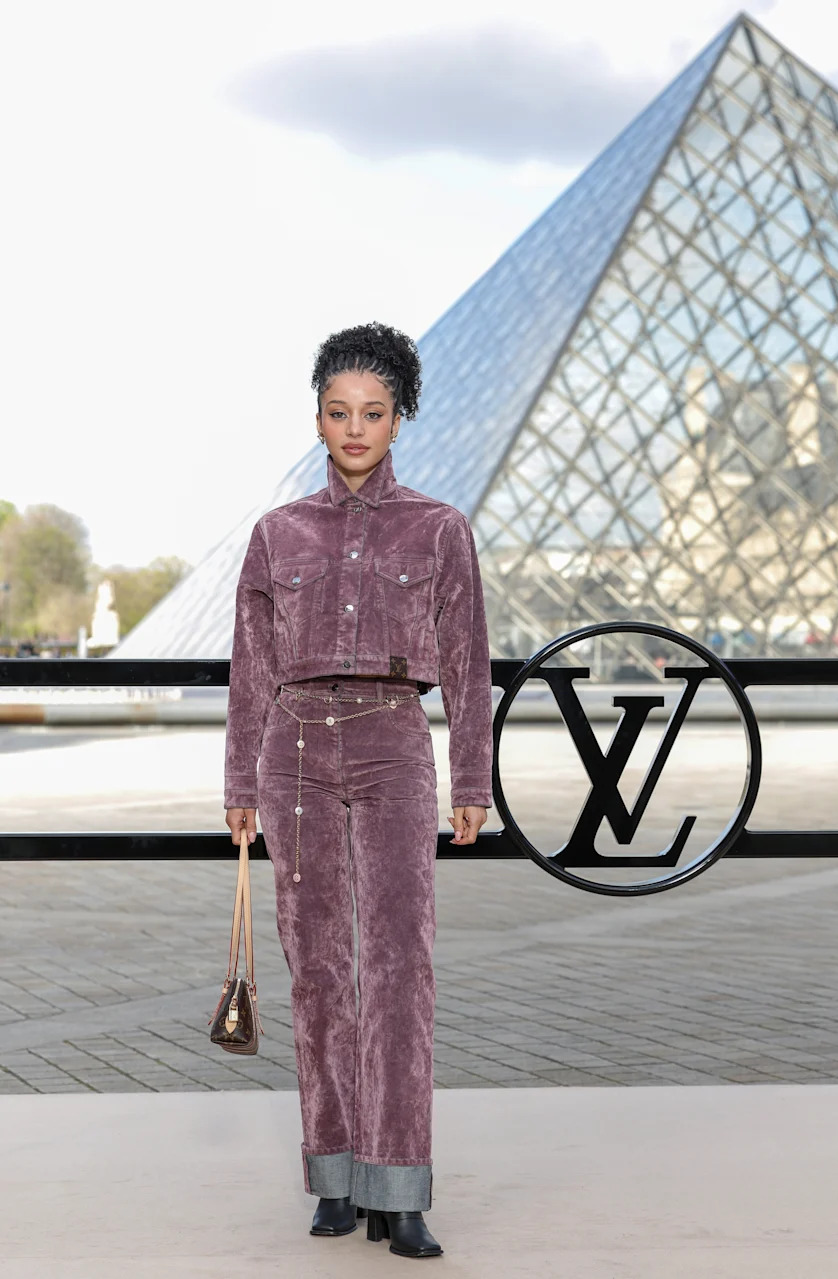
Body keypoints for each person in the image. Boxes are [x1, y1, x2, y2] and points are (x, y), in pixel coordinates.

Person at [223, 322, 493, 1260]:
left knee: (400, 967)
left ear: (399, 419)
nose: (354, 427)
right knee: (319, 968)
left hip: (391, 744)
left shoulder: (440, 528)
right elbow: (250, 671)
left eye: (373, 412)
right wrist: (239, 782)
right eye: (338, 411)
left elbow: (468, 664)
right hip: (292, 752)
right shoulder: (277, 532)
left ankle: (400, 1186)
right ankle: (334, 1175)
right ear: (317, 417)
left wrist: (471, 778)